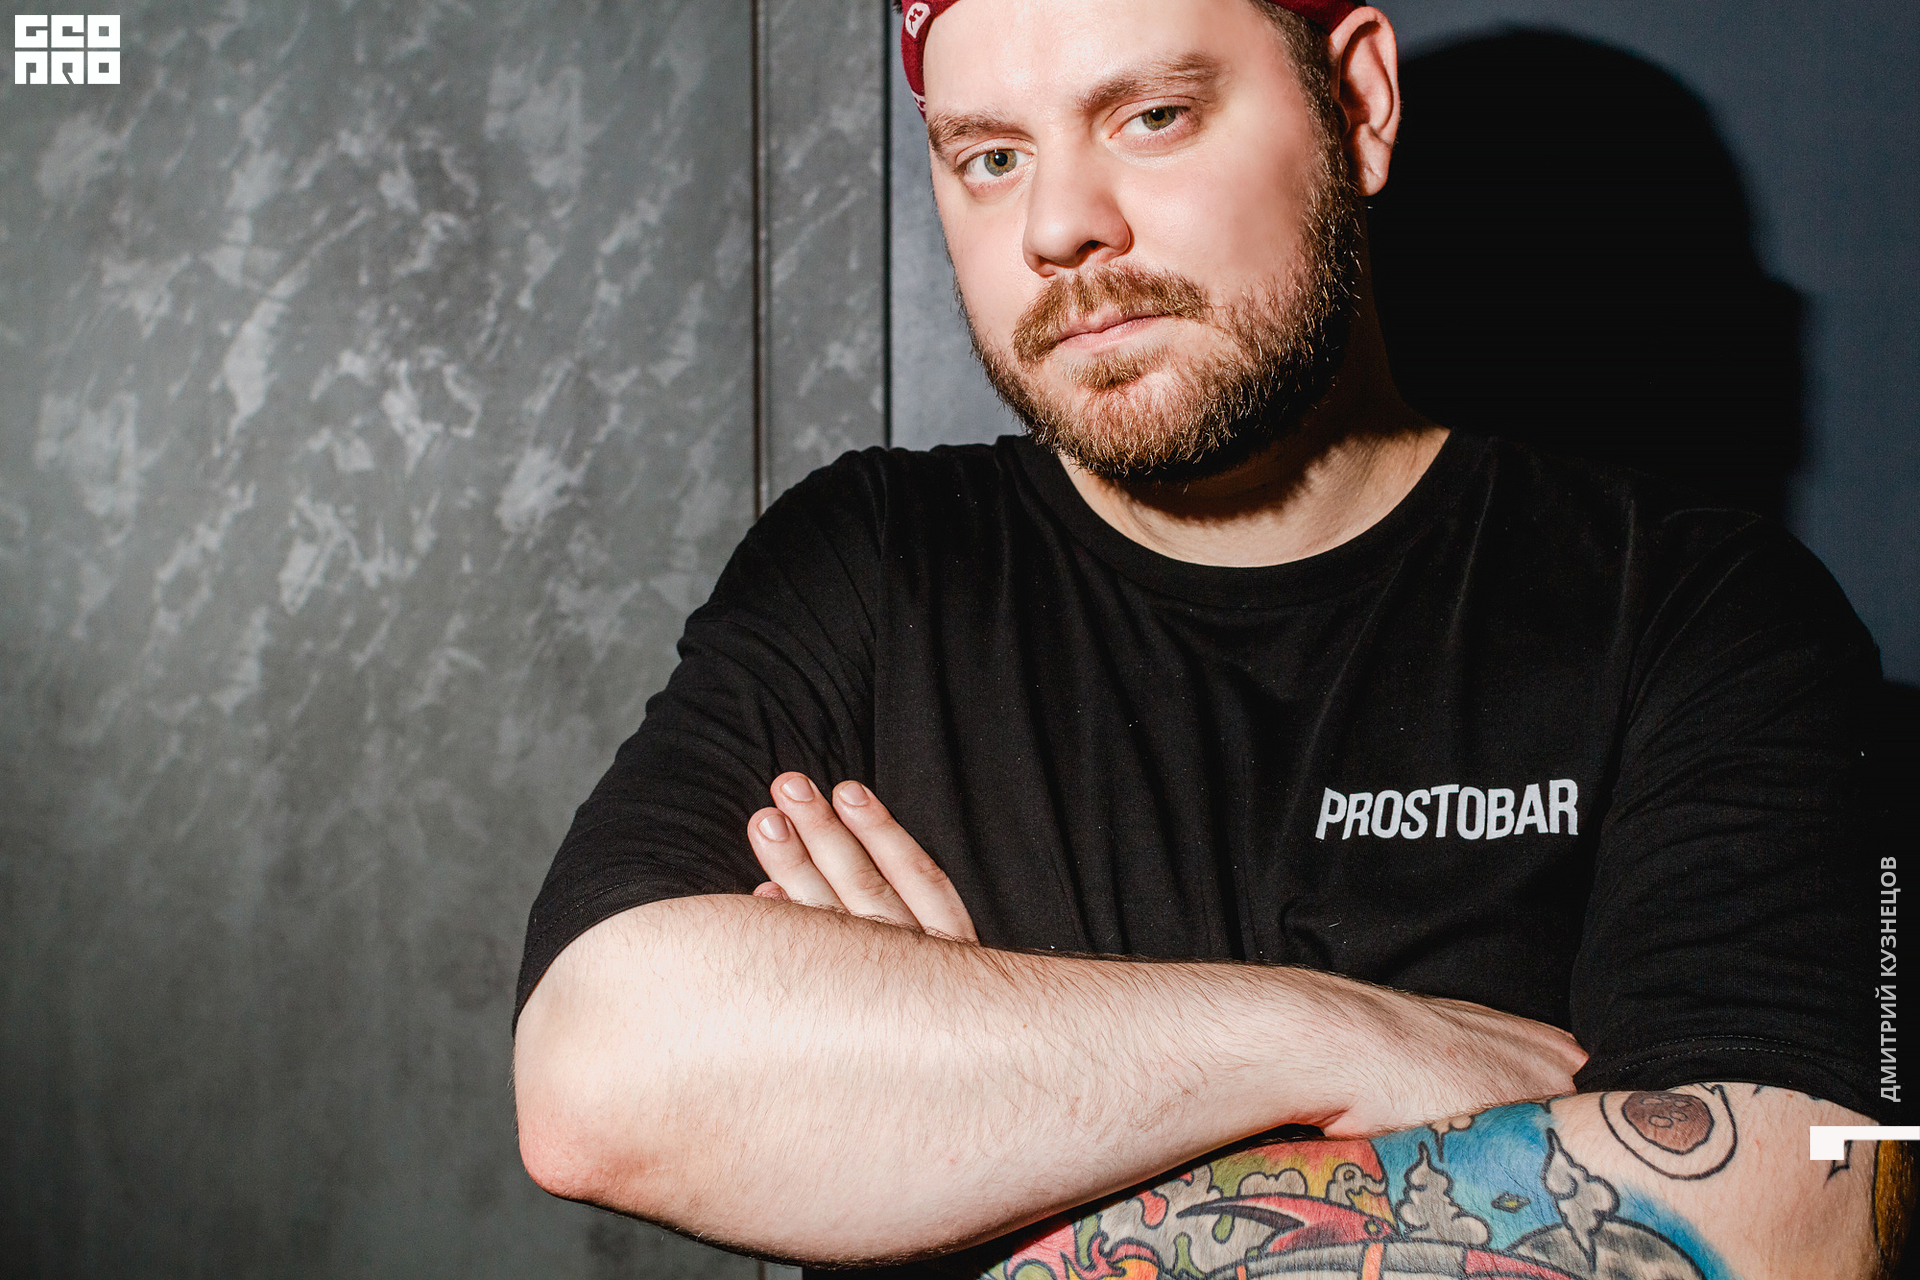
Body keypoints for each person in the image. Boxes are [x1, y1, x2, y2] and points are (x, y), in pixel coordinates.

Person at [511, 1, 1908, 1276]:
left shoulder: (1703, 612)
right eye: (991, 156)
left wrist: (946, 1105)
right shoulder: (869, 565)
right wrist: (1331, 1041)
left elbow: (1809, 1211)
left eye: (1152, 116)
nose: (1060, 225)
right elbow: (598, 1085)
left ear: (1357, 105)